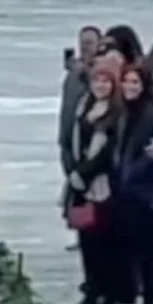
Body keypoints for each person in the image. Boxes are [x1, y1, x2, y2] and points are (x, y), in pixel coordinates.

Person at [66, 59, 130, 304]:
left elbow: (108, 153)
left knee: (104, 242)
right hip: (81, 181)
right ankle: (91, 290)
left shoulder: (116, 114)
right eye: (97, 80)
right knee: (87, 239)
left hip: (103, 184)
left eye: (106, 81)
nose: (101, 85)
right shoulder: (85, 107)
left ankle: (108, 294)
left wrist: (85, 172)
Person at [116, 65, 153, 304]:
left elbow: (150, 154)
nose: (129, 87)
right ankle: (149, 296)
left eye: (135, 82)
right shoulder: (127, 112)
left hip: (145, 191)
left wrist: (130, 175)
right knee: (140, 248)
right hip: (132, 190)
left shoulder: (149, 113)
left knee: (149, 250)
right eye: (126, 81)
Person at [59, 25, 101, 251]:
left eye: (90, 42)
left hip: (87, 139)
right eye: (82, 42)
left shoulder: (99, 73)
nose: (85, 47)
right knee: (74, 186)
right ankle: (81, 230)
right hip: (69, 137)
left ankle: (91, 233)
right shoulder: (72, 75)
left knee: (88, 185)